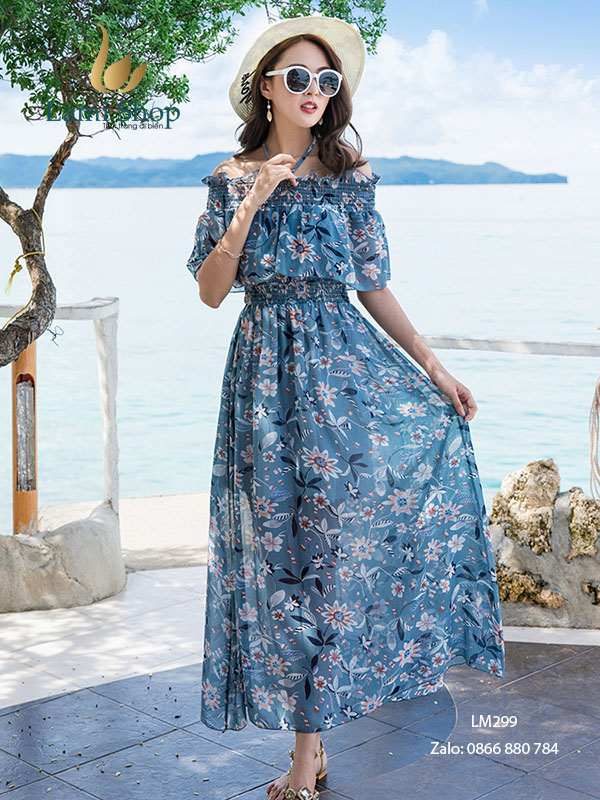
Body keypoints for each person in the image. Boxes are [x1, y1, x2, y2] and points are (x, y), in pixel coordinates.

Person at [186, 14, 506, 800]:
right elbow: (211, 291)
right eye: (298, 77)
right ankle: (313, 744)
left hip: (344, 379)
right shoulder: (229, 178)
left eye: (327, 81)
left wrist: (434, 369)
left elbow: (373, 286)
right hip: (263, 384)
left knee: (327, 558)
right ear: (266, 87)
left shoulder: (351, 176)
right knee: (281, 560)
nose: (315, 92)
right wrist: (254, 200)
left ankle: (307, 753)